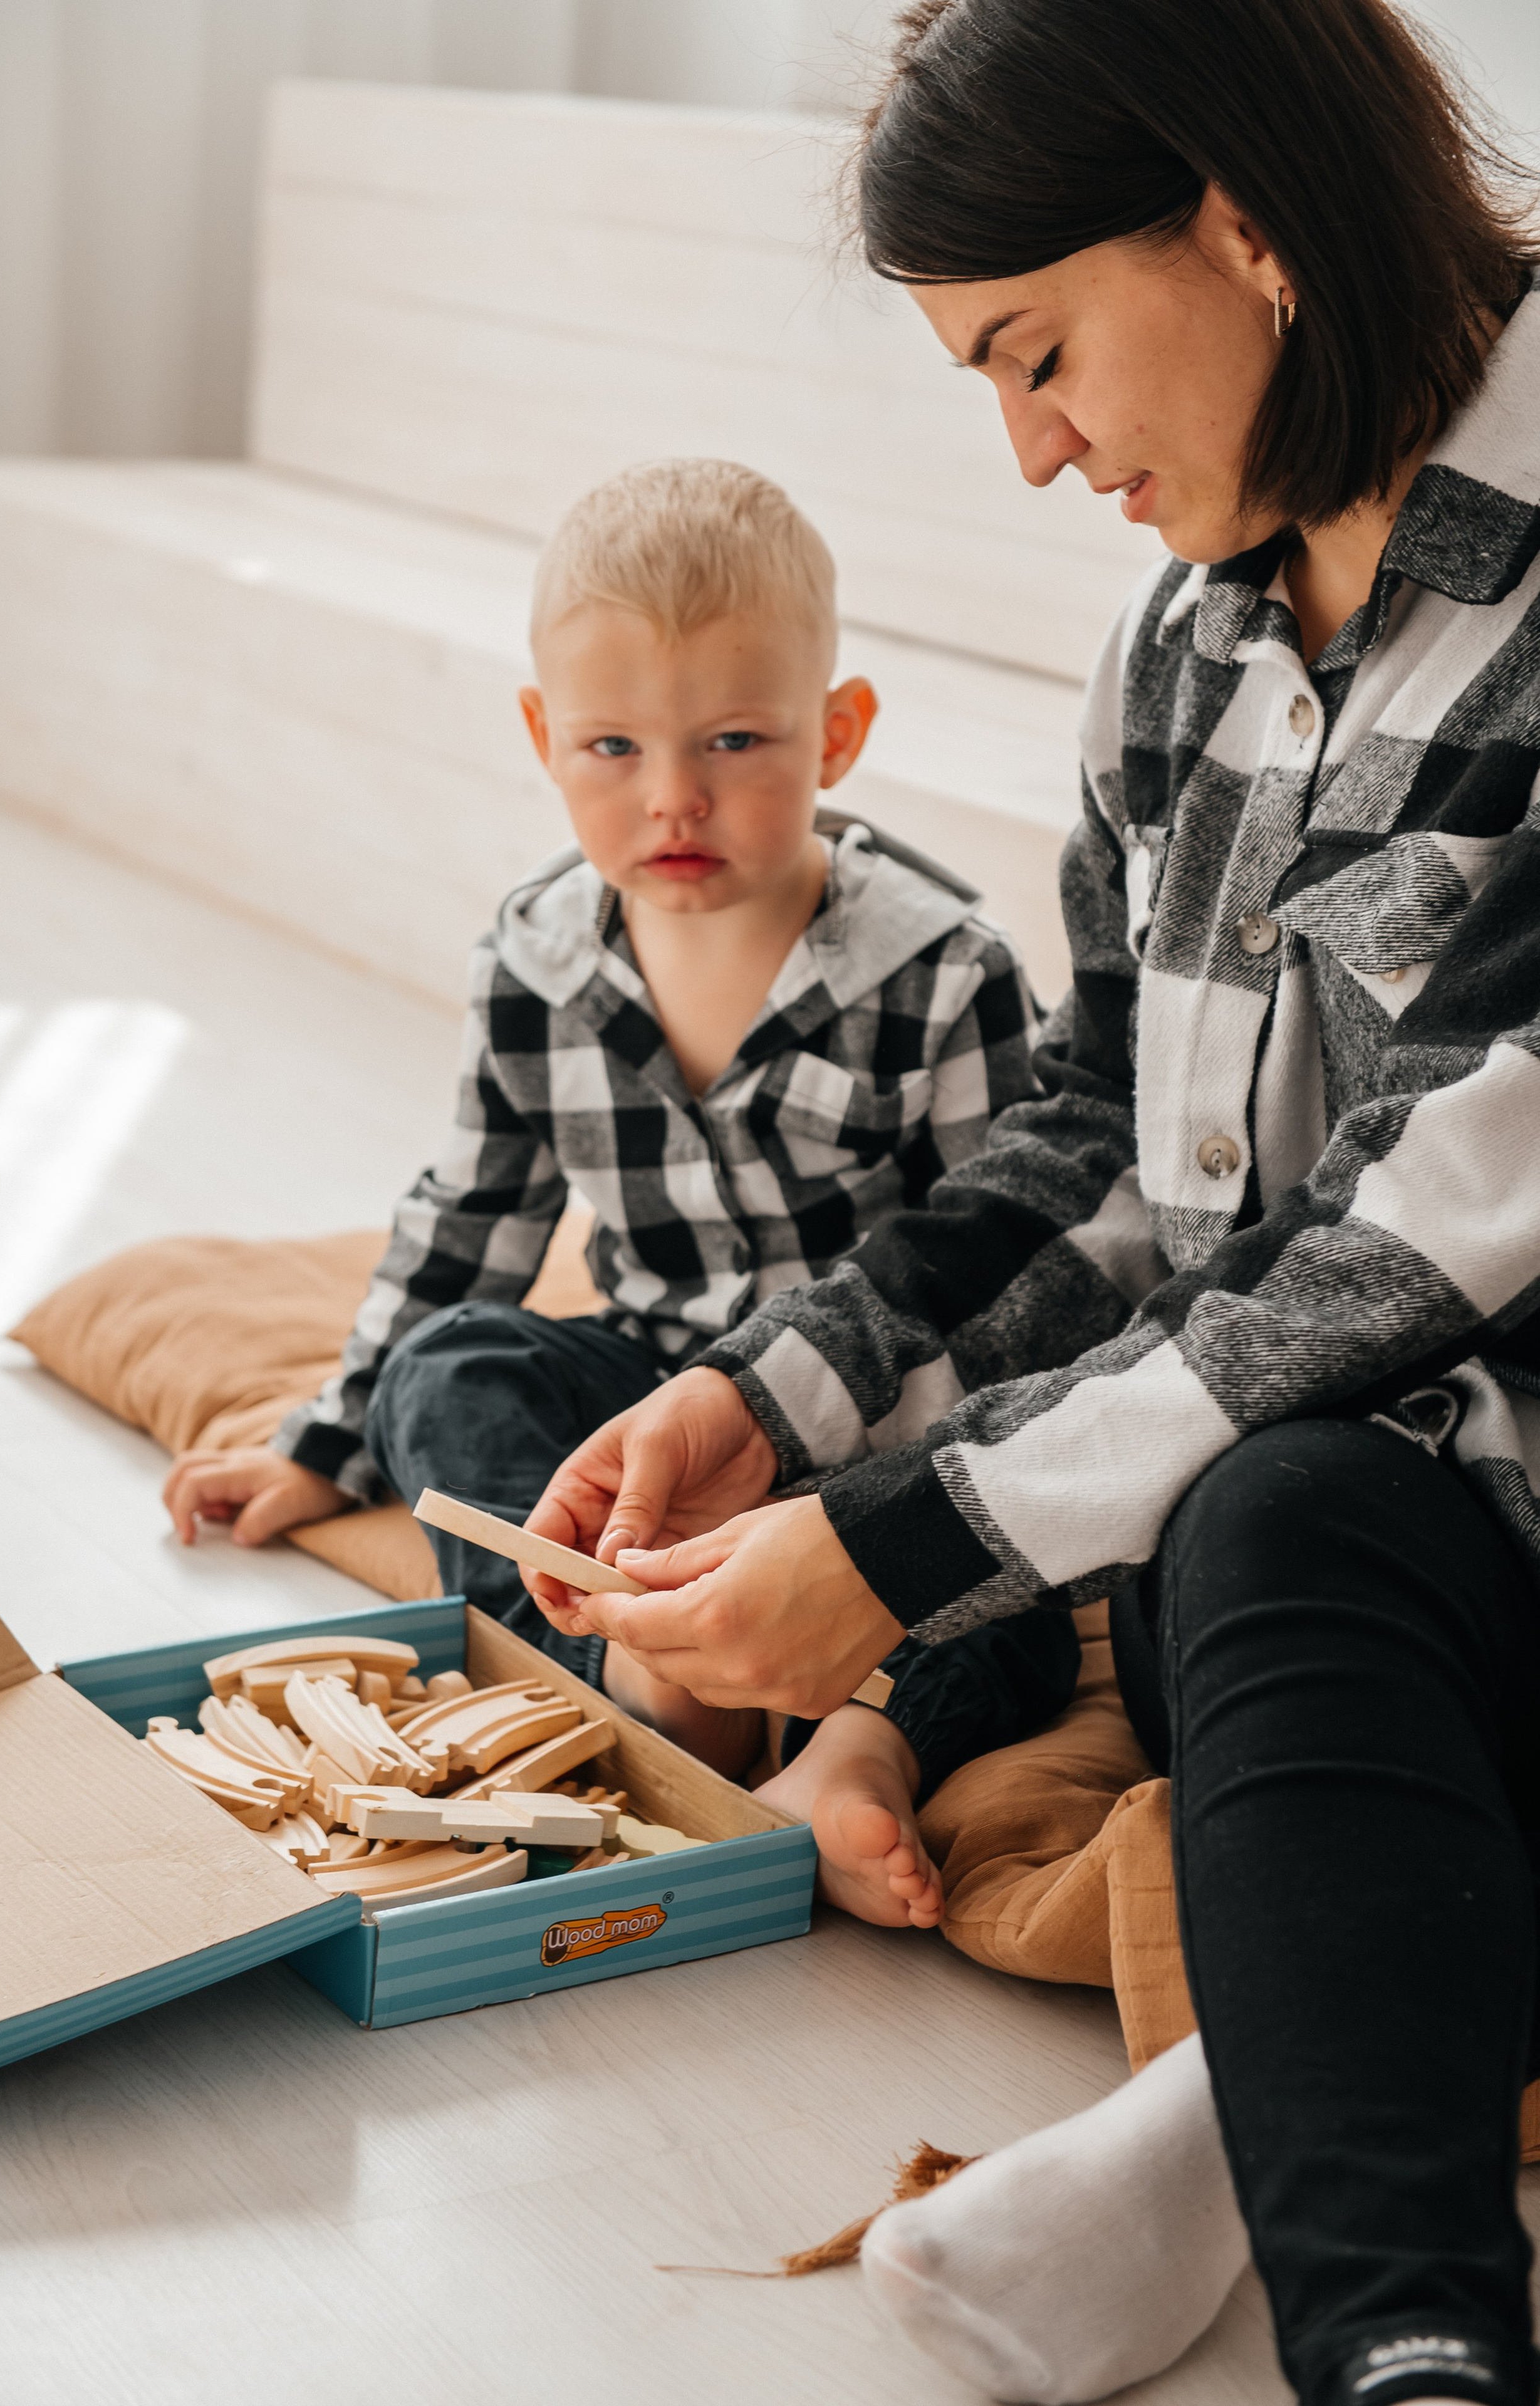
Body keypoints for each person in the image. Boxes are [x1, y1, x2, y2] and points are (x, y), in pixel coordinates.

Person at [520, 6, 1540, 2402]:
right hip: (1371, 1569)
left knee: (1253, 1537)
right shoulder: (1189, 643)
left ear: (1241, 214)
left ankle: (1340, 2252)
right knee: (1249, 1551)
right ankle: (1356, 2205)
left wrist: (896, 1544)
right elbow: (1112, 1128)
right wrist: (778, 1400)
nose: (1036, 445)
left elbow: (1441, 1212)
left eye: (1041, 351)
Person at [161, 455, 1080, 1927]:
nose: (672, 799)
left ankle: (857, 1754)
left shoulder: (943, 973)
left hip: (876, 1422)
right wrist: (324, 1448)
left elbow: (1014, 1294)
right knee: (444, 1371)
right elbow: (471, 1224)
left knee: (1024, 1583)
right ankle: (636, 1680)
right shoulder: (535, 960)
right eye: (611, 749)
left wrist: (868, 1498)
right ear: (541, 736)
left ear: (834, 734)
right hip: (653, 1405)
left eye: (732, 740)